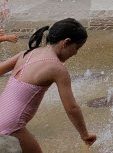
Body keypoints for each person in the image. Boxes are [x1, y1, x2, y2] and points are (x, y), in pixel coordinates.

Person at [0, 18, 96, 151]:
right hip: (11, 125)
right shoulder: (57, 69)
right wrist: (85, 134)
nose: (75, 53)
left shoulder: (27, 53)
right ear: (66, 42)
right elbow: (72, 108)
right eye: (76, 48)